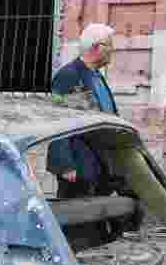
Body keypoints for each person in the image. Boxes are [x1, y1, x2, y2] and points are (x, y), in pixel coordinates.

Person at [49, 23, 117, 198]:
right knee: (76, 216)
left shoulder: (96, 76)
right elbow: (58, 120)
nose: (112, 50)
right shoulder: (69, 75)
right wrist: (64, 164)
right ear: (95, 47)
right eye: (109, 45)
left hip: (100, 160)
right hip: (78, 164)